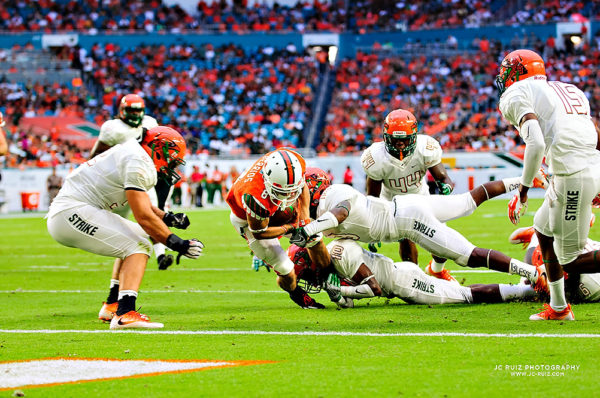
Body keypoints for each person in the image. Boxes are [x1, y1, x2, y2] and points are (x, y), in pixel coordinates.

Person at [46, 126, 203, 329]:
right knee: (138, 245)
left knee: (135, 239)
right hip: (71, 212)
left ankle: (113, 305)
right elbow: (143, 216)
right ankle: (125, 314)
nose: (172, 167)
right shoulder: (139, 162)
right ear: (159, 149)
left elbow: (143, 205)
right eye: (172, 160)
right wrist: (177, 244)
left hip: (74, 210)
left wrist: (167, 217)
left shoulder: (134, 154)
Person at [290, 168, 547, 290]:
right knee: (468, 201)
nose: (298, 198)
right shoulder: (322, 211)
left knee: (467, 255)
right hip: (407, 205)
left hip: (407, 220)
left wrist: (311, 227)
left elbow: (341, 212)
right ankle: (526, 180)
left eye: (301, 192)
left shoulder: (333, 195)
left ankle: (535, 274)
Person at [497, 49, 600, 320]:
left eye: (506, 70)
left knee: (571, 259)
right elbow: (594, 132)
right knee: (543, 231)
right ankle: (559, 307)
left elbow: (536, 142)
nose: (503, 76)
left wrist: (523, 190)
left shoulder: (516, 93)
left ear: (517, 72)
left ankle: (560, 307)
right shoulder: (568, 88)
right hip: (585, 167)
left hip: (572, 174)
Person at [288, 240, 536, 308]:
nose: (310, 279)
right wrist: (338, 297)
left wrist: (340, 290)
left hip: (404, 282)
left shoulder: (341, 255)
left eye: (306, 274)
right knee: (460, 292)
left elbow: (373, 290)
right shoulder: (332, 258)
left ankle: (525, 290)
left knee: (465, 296)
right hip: (399, 273)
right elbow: (350, 303)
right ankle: (526, 285)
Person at [361, 109, 455, 281]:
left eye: (404, 140)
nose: (400, 144)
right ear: (386, 137)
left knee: (442, 243)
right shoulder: (376, 157)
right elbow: (372, 198)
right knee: (405, 239)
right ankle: (415, 279)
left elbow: (443, 177)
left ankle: (436, 269)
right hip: (393, 202)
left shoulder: (425, 148)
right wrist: (374, 228)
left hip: (421, 197)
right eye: (396, 140)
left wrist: (446, 186)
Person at [225, 148, 322, 308]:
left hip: (276, 208)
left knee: (315, 237)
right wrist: (291, 227)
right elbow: (260, 232)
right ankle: (296, 294)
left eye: (291, 191)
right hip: (250, 221)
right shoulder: (253, 195)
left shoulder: (294, 161)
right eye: (282, 191)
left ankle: (330, 276)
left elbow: (303, 186)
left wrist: (304, 220)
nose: (288, 195)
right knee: (285, 267)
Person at [509, 225, 600, 303]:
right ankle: (538, 234)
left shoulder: (592, 283)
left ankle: (537, 234)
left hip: (577, 250)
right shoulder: (533, 280)